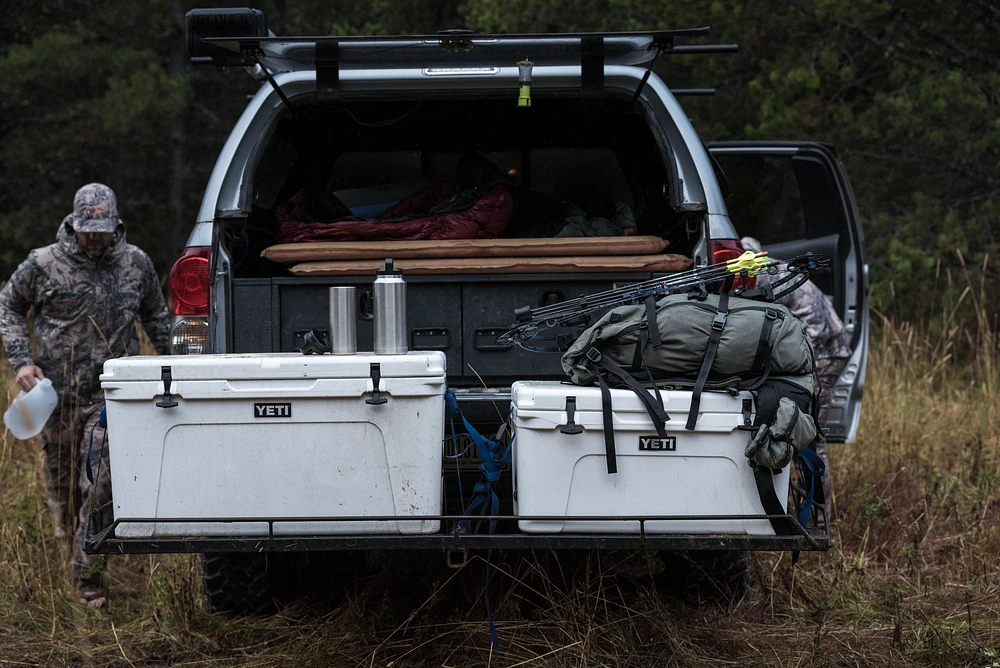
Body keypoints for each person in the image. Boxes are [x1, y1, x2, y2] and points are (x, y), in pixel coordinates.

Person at [0, 183, 171, 608]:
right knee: (64, 489)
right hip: (54, 398)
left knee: (100, 485)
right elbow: (8, 307)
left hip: (111, 399)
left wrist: (177, 368)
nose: (94, 236)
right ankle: (68, 553)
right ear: (74, 224)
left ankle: (87, 579)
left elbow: (157, 316)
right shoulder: (42, 264)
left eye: (102, 229)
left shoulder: (136, 264)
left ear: (115, 225)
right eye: (87, 229)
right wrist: (21, 361)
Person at [740, 236, 851, 507]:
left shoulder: (764, 276)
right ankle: (810, 509)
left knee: (809, 437)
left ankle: (815, 513)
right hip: (828, 350)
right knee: (809, 436)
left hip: (823, 355)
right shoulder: (777, 268)